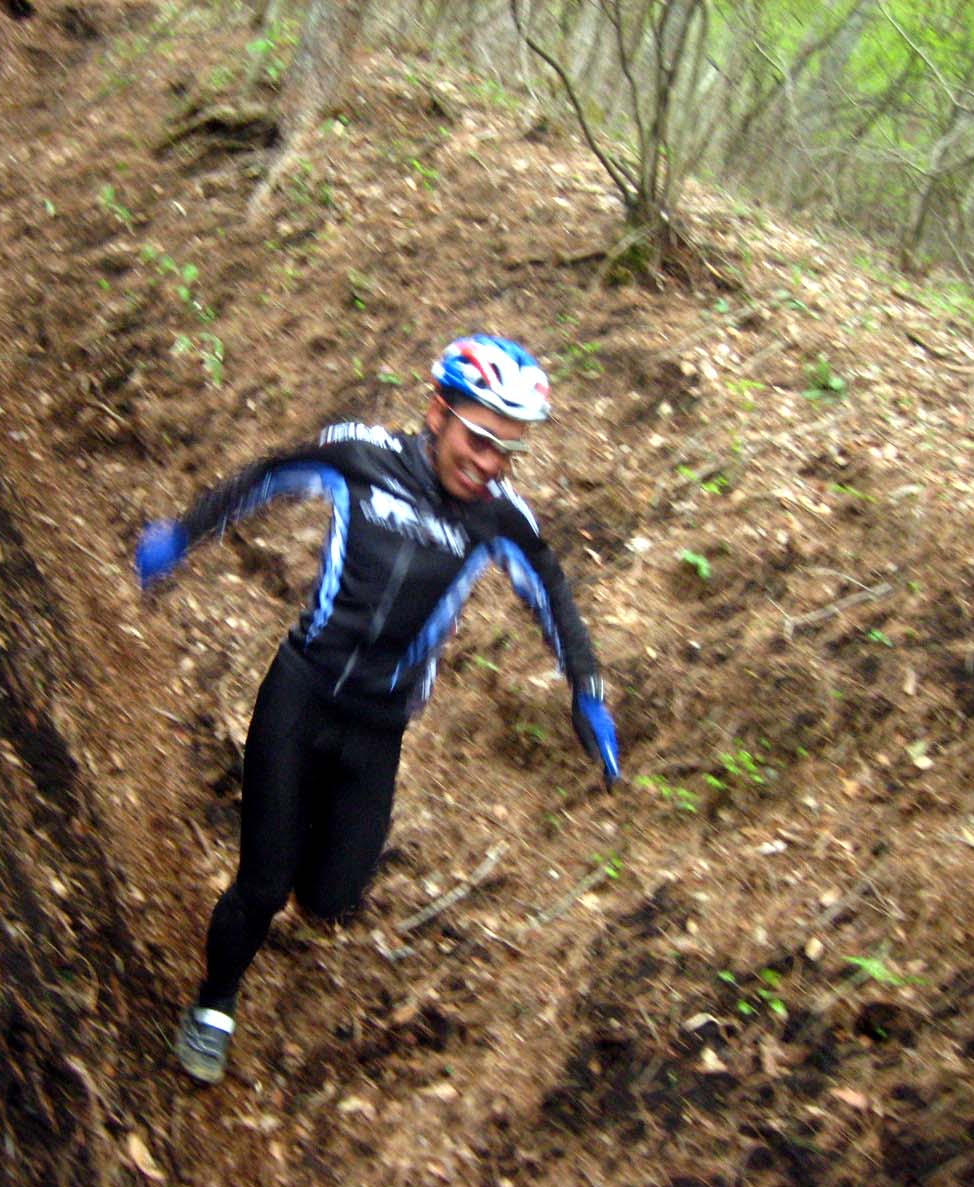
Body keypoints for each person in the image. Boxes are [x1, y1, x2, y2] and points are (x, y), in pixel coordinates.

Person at [134, 334, 622, 1084]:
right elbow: (267, 475)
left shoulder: (499, 521)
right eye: (480, 438)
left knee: (330, 899)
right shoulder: (361, 457)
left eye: (507, 452)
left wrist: (586, 689)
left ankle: (295, 837)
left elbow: (553, 592)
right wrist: (184, 533)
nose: (489, 463)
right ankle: (214, 1003)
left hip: (378, 727)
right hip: (299, 693)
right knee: (263, 886)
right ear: (437, 412)